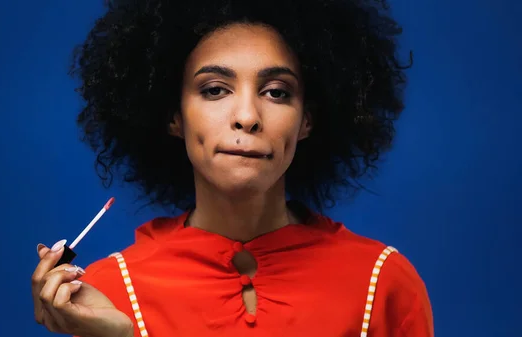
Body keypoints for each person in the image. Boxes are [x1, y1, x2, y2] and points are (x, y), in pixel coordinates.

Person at [31, 0, 433, 336]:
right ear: (174, 116)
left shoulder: (383, 283)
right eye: (215, 90)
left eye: (276, 92)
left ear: (306, 120)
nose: (246, 116)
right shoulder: (102, 294)